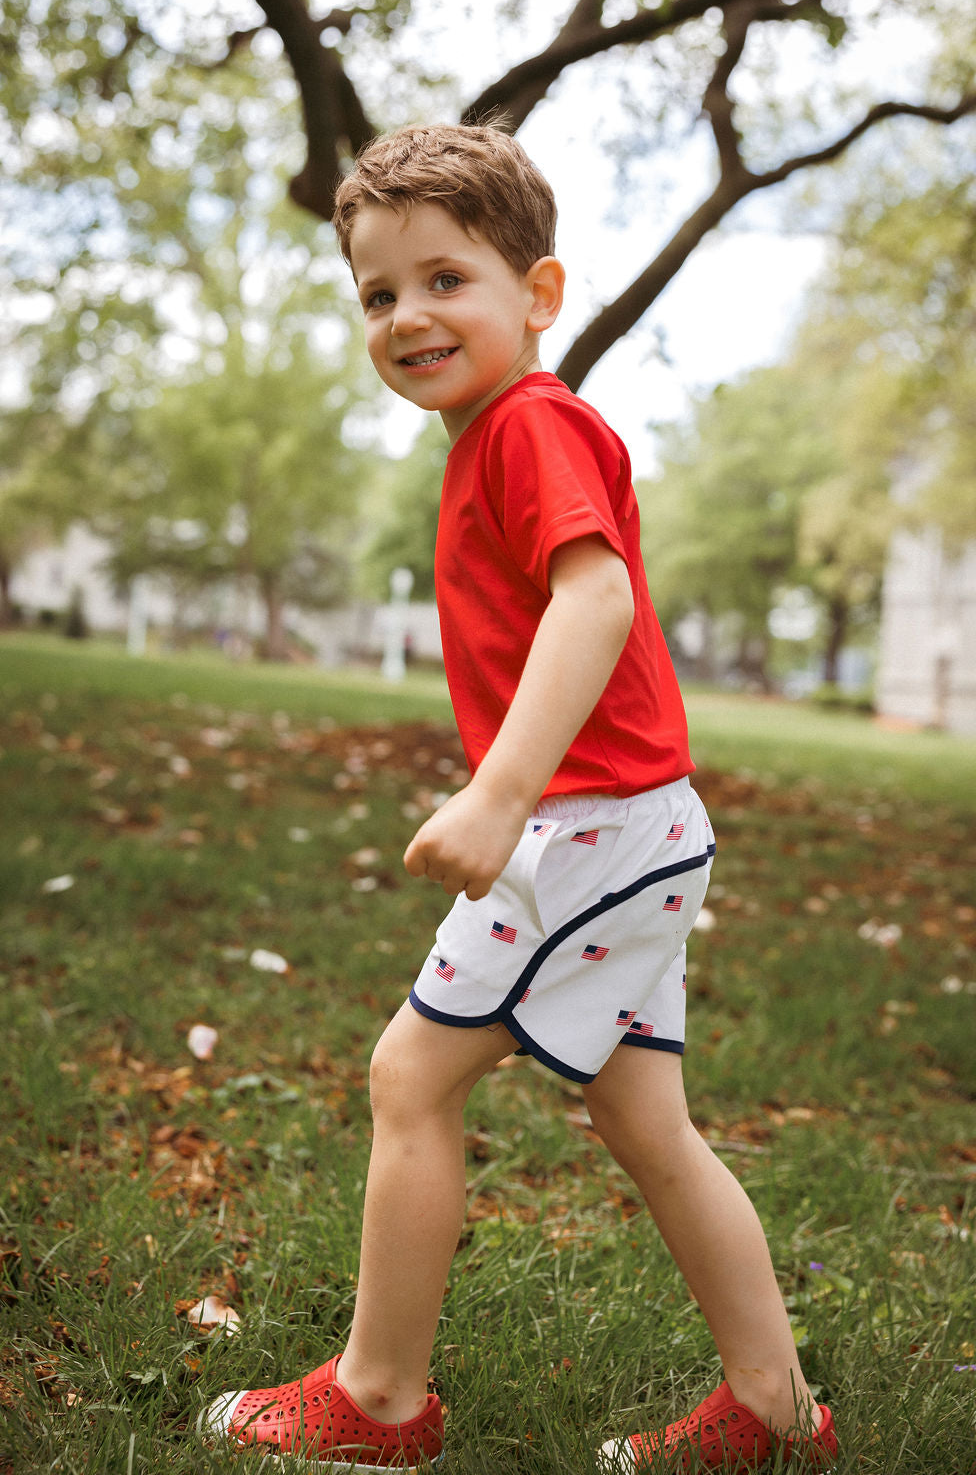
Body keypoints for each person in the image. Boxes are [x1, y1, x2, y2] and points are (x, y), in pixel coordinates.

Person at [201, 123, 838, 1472]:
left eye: (446, 280)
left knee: (410, 1078)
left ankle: (378, 1400)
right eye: (379, 293)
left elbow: (595, 599)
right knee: (645, 1121)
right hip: (631, 825)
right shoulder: (486, 436)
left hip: (593, 831)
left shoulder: (532, 423)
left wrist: (499, 799)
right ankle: (774, 1410)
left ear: (537, 296)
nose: (408, 316)